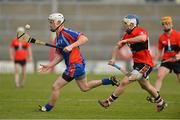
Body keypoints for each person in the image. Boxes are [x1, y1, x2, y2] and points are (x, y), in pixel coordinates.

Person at [38, 13, 119, 112]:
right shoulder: (58, 38)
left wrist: (71, 46)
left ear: (58, 23)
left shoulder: (66, 32)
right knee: (85, 87)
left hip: (75, 65)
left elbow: (84, 38)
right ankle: (109, 80)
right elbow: (59, 56)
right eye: (49, 22)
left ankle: (46, 108)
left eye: (51, 22)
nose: (50, 24)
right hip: (77, 65)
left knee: (56, 86)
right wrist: (49, 66)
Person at [98, 14, 167, 112]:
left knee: (125, 81)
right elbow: (118, 45)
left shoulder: (139, 30)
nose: (124, 25)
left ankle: (108, 102)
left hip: (146, 64)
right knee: (145, 86)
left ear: (132, 24)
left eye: (126, 23)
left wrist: (127, 40)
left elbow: (142, 38)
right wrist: (113, 58)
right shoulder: (126, 34)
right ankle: (161, 102)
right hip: (137, 65)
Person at [147, 16, 180, 103]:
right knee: (159, 76)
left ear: (171, 24)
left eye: (167, 24)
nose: (166, 25)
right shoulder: (162, 38)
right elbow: (159, 51)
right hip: (167, 60)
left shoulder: (177, 35)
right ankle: (155, 95)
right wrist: (155, 61)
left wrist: (179, 55)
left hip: (177, 61)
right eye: (164, 24)